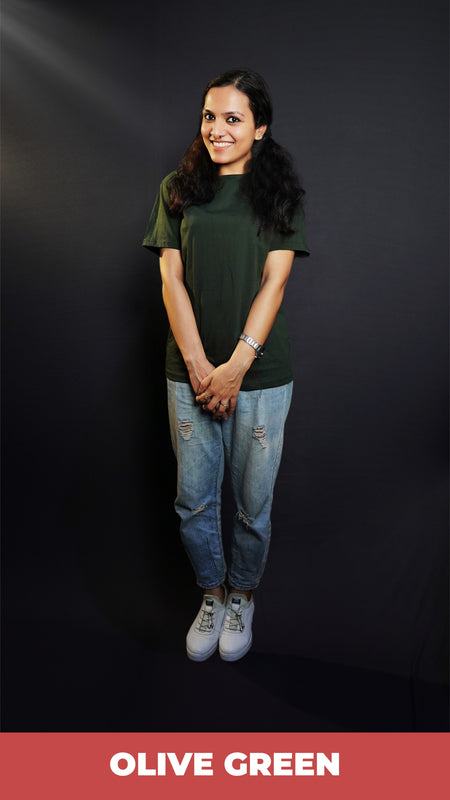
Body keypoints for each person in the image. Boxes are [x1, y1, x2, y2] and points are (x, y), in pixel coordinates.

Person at [142, 68, 309, 662]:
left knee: (251, 506)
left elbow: (274, 284)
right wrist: (198, 365)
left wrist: (235, 366)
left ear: (259, 128)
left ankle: (243, 595)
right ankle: (211, 594)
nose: (217, 129)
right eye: (209, 116)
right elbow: (170, 278)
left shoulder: (280, 195)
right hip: (187, 373)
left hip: (259, 377)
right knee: (192, 502)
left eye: (233, 118)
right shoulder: (177, 188)